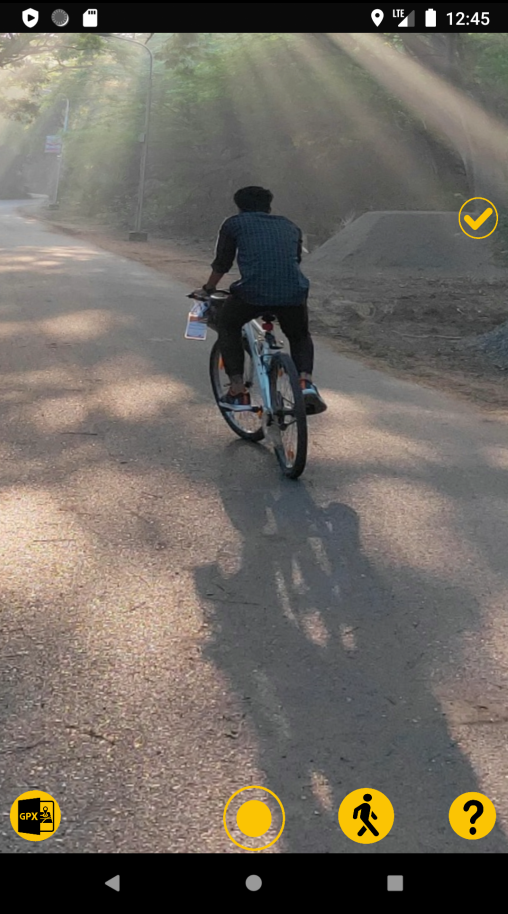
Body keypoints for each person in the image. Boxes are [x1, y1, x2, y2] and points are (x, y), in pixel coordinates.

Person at [193, 186, 327, 414]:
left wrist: (208, 288)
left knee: (228, 325)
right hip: (293, 292)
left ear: (239, 206)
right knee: (299, 334)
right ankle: (305, 383)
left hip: (252, 293)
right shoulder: (289, 225)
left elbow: (222, 263)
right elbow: (294, 260)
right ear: (269, 206)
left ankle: (238, 390)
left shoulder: (234, 224)